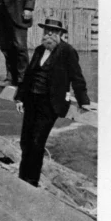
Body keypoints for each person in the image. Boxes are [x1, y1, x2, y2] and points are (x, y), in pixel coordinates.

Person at [14, 18, 91, 187]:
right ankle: (22, 177)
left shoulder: (68, 51)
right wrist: (20, 97)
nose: (49, 34)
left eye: (53, 32)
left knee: (37, 142)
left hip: (50, 104)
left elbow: (76, 77)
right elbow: (28, 75)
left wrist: (83, 100)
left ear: (60, 35)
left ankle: (31, 181)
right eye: (47, 31)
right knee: (25, 141)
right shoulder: (40, 49)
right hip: (32, 101)